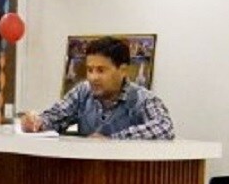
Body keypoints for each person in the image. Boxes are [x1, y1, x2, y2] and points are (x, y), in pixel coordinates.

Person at [18, 36, 174, 140]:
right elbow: (56, 116)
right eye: (90, 70)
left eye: (101, 70)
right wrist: (37, 122)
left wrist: (113, 140)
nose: (93, 77)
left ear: (123, 70)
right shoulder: (82, 92)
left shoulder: (143, 99)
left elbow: (164, 128)